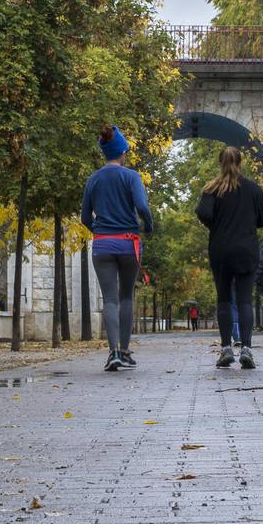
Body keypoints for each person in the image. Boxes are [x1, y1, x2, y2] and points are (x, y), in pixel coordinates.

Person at [80, 125, 153, 372]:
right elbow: (142, 207)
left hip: (102, 244)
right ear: (122, 152)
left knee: (109, 299)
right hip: (128, 243)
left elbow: (84, 217)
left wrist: (99, 232)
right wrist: (149, 225)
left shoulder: (93, 179)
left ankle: (112, 354)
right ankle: (124, 350)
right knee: (125, 296)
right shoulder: (131, 176)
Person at [196, 146, 263, 369]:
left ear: (220, 163)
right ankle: (246, 347)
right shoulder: (253, 189)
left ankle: (226, 348)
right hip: (246, 249)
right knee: (245, 300)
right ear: (240, 162)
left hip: (221, 250)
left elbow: (203, 213)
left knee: (224, 299)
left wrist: (216, 225)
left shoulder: (211, 189)